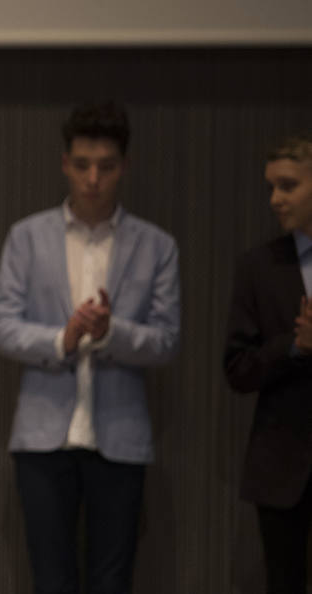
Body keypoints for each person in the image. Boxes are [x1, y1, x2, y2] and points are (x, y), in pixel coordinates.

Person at [0, 101, 180, 594]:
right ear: (65, 163)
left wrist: (112, 333)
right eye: (83, 165)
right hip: (43, 437)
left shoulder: (157, 245)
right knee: (51, 579)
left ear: (124, 168)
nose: (94, 178)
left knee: (113, 579)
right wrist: (60, 338)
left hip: (122, 437)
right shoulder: (27, 237)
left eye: (106, 167)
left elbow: (167, 340)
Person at [224, 132, 312, 594]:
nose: (275, 199)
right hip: (282, 466)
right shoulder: (257, 267)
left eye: (287, 185)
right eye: (270, 188)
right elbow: (237, 369)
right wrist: (294, 347)